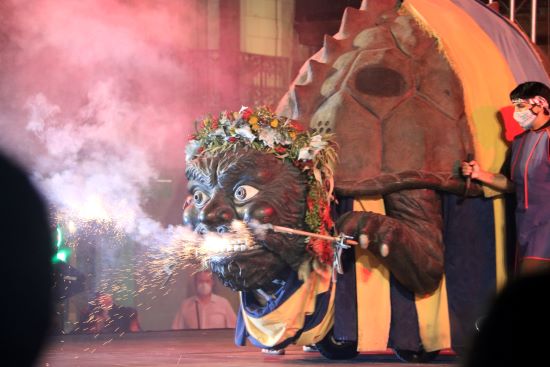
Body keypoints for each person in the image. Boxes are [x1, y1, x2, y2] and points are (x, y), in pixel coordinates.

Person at [462, 81, 550, 275]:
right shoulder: (519, 142)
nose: (516, 112)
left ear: (540, 104)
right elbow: (512, 186)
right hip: (525, 226)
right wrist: (479, 174)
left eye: (520, 106)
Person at [172, 270, 237, 329]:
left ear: (212, 282)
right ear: (195, 283)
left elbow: (234, 329)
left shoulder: (223, 303)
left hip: (218, 341)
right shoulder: (185, 305)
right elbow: (176, 329)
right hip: (194, 341)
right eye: (200, 281)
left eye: (207, 281)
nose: (204, 284)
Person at [74, 292, 141, 334]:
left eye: (107, 303)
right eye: (98, 302)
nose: (103, 303)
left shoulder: (125, 313)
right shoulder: (88, 315)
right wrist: (89, 331)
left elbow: (136, 333)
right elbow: (75, 334)